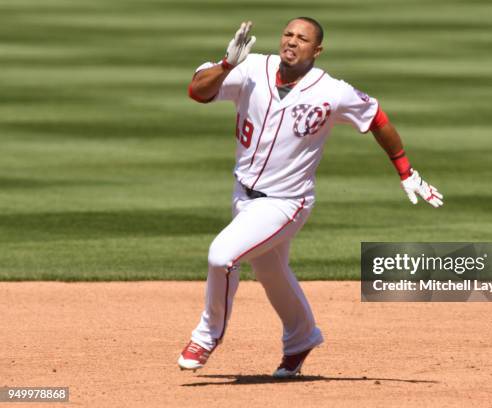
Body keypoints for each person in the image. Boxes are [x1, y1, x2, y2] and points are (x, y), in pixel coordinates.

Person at [178, 18, 443, 378]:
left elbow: (377, 118)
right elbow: (196, 92)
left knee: (222, 256)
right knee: (272, 272)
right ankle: (302, 339)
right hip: (242, 196)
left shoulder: (332, 92)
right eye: (288, 34)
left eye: (302, 39)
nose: (291, 42)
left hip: (287, 202)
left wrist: (406, 170)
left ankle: (207, 336)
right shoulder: (252, 67)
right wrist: (227, 65)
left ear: (316, 50)